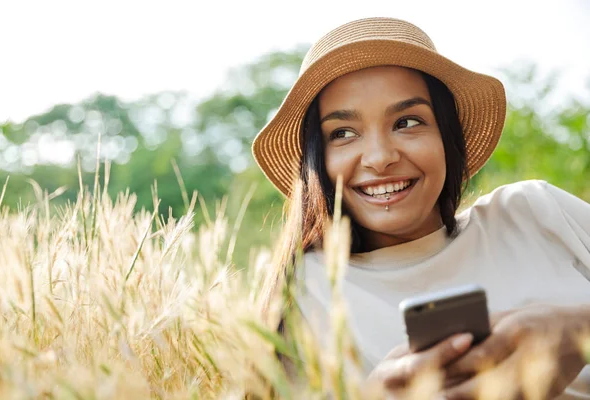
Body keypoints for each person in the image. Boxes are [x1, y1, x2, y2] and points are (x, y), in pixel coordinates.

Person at [251, 17, 590, 399]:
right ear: (317, 159)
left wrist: (577, 329)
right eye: (343, 133)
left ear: (446, 135)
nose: (379, 158)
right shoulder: (304, 293)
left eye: (407, 122)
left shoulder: (534, 212)